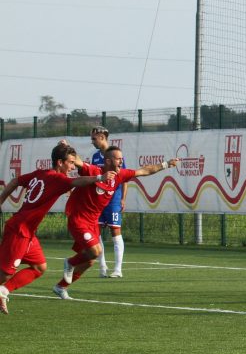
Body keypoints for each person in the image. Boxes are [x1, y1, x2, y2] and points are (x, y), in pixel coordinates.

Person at [0, 144, 115, 314]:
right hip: (20, 231)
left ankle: (3, 291)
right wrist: (99, 177)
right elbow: (78, 181)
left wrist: (1, 200)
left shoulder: (40, 173)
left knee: (39, 267)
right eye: (70, 162)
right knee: (4, 274)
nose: (72, 166)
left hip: (26, 231)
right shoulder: (57, 179)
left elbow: (16, 181)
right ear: (60, 162)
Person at [53, 146, 179, 300]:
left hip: (92, 222)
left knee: (90, 261)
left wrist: (166, 164)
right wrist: (66, 149)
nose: (121, 161)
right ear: (108, 161)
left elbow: (144, 171)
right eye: (118, 159)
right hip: (79, 219)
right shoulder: (94, 171)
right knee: (95, 251)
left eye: (121, 158)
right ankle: (70, 263)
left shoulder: (120, 175)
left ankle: (61, 287)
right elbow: (77, 161)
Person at [90, 126, 128, 278]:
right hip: (99, 200)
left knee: (115, 231)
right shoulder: (95, 157)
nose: (92, 141)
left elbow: (124, 178)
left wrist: (123, 199)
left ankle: (118, 269)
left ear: (102, 137)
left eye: (94, 138)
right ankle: (102, 266)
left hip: (113, 199)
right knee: (96, 231)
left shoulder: (115, 155)